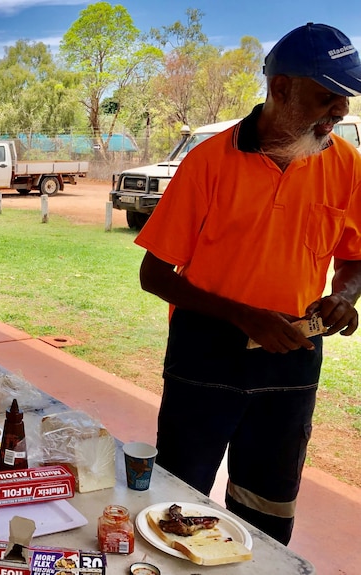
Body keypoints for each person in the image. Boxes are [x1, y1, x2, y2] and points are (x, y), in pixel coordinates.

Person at [135, 22, 361, 545]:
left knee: (268, 504)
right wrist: (243, 314)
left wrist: (343, 298)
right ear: (281, 88)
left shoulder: (346, 166)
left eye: (345, 97)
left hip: (294, 355)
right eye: (328, 95)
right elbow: (154, 274)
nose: (341, 111)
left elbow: (355, 258)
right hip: (205, 354)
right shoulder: (208, 163)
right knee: (178, 497)